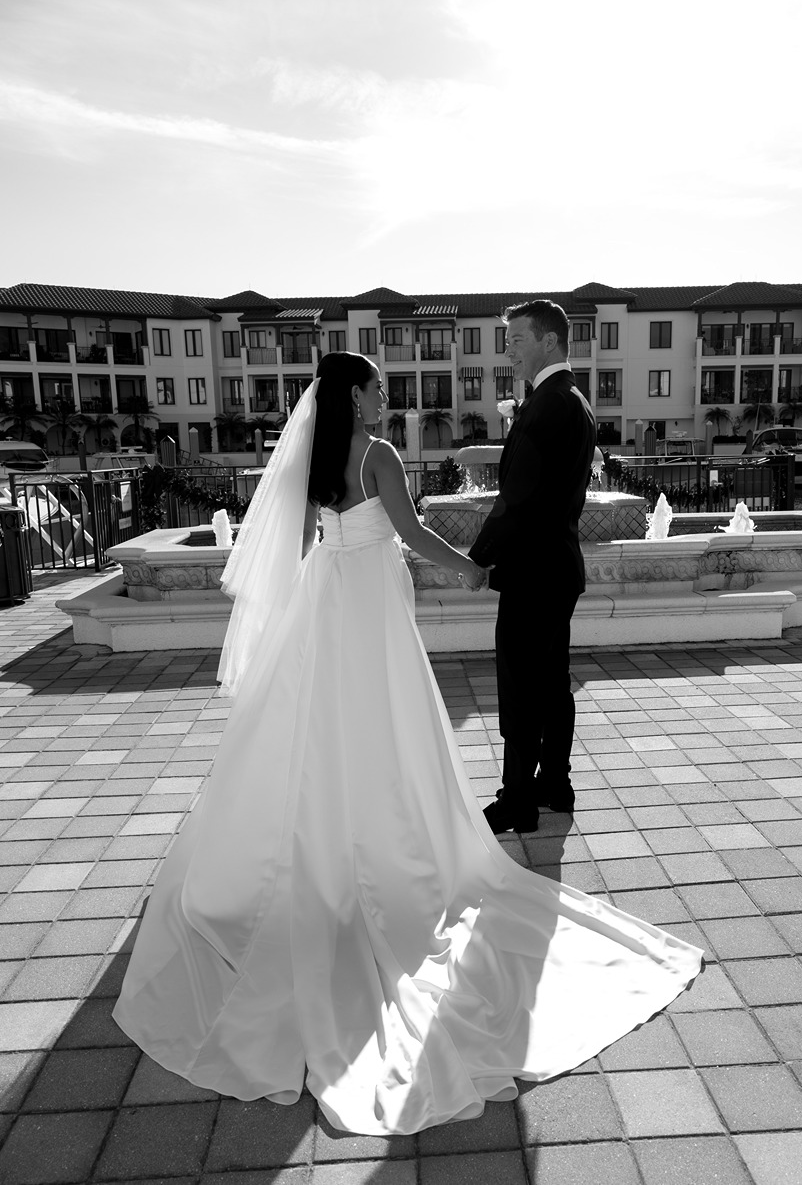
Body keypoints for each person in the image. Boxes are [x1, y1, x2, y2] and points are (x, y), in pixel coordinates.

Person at [113, 351, 702, 1137]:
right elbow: (412, 532)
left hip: (328, 594)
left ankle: (311, 853)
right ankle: (381, 852)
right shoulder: (380, 454)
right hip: (369, 602)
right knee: (384, 717)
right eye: (379, 385)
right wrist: (474, 571)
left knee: (316, 725)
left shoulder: (318, 458)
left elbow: (295, 543)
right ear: (354, 396)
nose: (386, 394)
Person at [469, 300, 596, 835]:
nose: (509, 349)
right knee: (551, 683)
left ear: (547, 340)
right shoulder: (572, 400)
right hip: (557, 568)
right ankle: (555, 784)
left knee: (521, 687)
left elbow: (517, 498)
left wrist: (476, 558)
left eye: (517, 339)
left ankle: (518, 800)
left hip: (532, 573)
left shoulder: (547, 405)